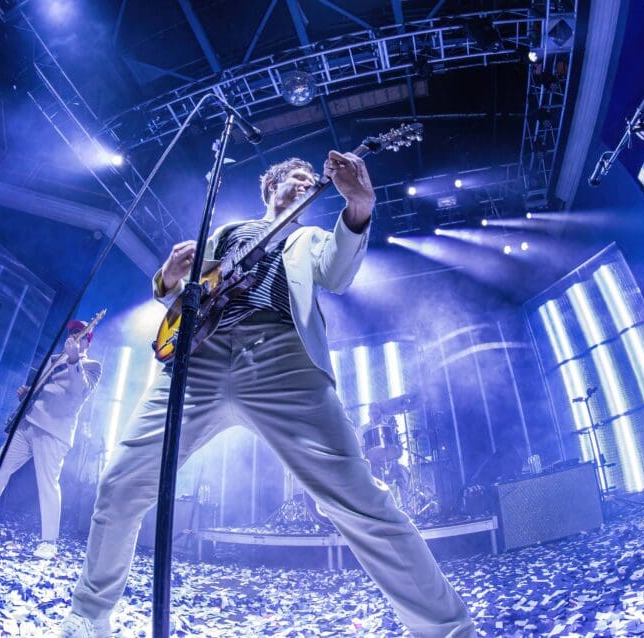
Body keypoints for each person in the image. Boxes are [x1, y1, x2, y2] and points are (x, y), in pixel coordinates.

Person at [57, 152, 475, 637]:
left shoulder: (309, 237)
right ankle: (89, 618)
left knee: (359, 499)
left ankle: (448, 630)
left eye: (310, 180)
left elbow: (337, 272)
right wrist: (168, 279)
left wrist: (359, 207)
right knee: (121, 481)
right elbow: (191, 294)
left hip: (282, 356)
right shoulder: (230, 232)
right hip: (202, 358)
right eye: (297, 178)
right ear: (271, 187)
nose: (306, 184)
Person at [0, 321, 102, 560]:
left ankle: (49, 542)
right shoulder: (54, 360)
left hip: (54, 432)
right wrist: (27, 395)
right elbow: (43, 392)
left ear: (87, 342)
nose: (73, 336)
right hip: (28, 423)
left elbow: (80, 390)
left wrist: (73, 360)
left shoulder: (91, 366)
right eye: (71, 332)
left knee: (47, 484)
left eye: (79, 334)